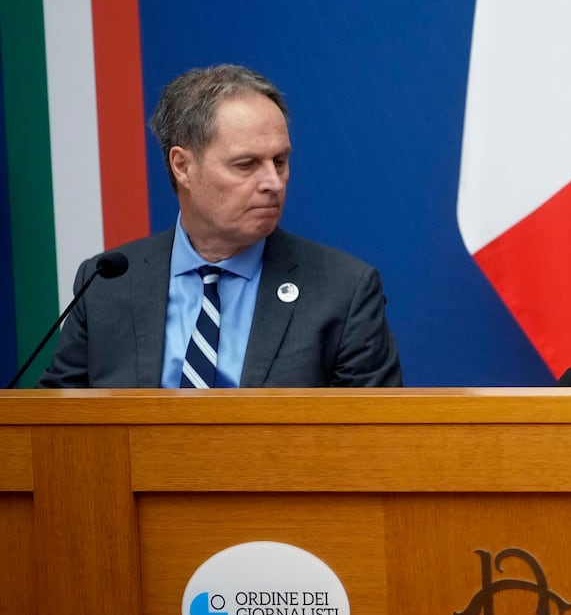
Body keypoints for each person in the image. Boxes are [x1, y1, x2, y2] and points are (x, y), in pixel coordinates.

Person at [40, 64, 403, 388]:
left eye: (280, 161)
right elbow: (52, 428)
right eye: (246, 165)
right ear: (182, 166)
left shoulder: (343, 291)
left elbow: (373, 443)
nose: (274, 182)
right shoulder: (107, 284)